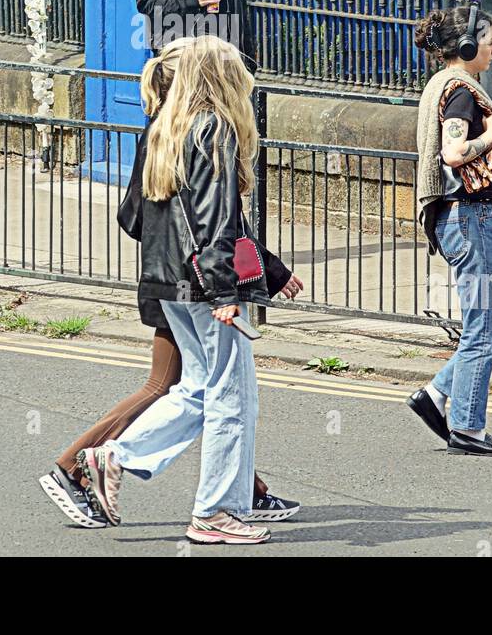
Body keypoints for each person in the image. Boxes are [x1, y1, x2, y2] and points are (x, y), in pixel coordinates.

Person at [38, 39, 303, 530]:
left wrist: (266, 268)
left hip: (166, 284)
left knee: (196, 391)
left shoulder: (164, 127)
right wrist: (226, 292)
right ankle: (217, 514)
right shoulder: (215, 128)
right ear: (222, 79)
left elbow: (143, 218)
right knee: (232, 401)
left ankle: (110, 456)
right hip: (206, 290)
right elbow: (216, 220)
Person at [408, 3, 492, 457]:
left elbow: (473, 170)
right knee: (485, 326)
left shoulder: (445, 85)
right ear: (466, 47)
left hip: (477, 213)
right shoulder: (461, 91)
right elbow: (453, 154)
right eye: (490, 41)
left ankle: (437, 394)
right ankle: (467, 427)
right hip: (468, 219)